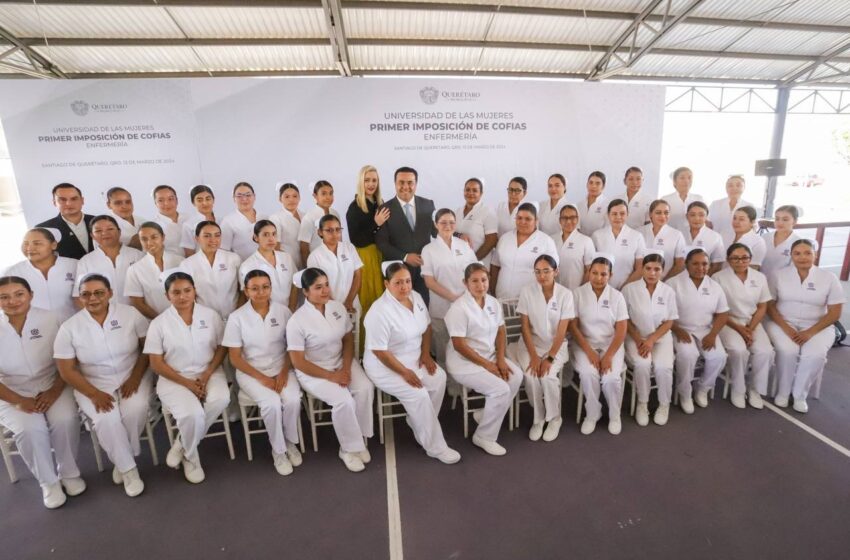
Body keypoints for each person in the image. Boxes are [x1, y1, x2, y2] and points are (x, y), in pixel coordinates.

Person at [54, 274, 150, 498]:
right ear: (79, 297)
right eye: (86, 294)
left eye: (99, 292)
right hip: (92, 382)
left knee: (134, 410)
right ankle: (129, 469)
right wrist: (93, 393)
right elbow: (66, 370)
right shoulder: (70, 327)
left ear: (110, 293)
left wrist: (135, 377)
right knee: (107, 419)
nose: (93, 298)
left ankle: (122, 456)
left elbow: (147, 347)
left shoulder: (130, 314)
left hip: (131, 373)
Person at [363, 262, 461, 464]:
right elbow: (380, 352)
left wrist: (426, 354)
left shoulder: (415, 297)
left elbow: (426, 328)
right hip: (385, 366)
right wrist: (405, 372)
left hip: (416, 358)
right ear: (386, 284)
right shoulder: (378, 312)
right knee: (419, 394)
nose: (404, 287)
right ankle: (435, 447)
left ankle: (417, 421)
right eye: (398, 283)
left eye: (407, 281)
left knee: (439, 378)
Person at [0, 276, 84, 509]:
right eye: (4, 297)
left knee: (65, 419)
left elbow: (70, 359)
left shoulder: (52, 319)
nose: (12, 301)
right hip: (9, 391)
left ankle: (68, 472)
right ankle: (48, 483)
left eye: (19, 294)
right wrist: (18, 401)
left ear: (31, 295)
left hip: (54, 382)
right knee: (30, 429)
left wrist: (55, 390)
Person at [144, 271, 230, 483]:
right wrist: (188, 384)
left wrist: (208, 373)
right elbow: (156, 363)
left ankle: (182, 443)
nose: (182, 296)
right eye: (176, 292)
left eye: (187, 291)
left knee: (221, 398)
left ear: (194, 291)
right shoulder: (159, 323)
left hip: (208, 371)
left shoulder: (210, 315)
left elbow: (221, 347)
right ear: (167, 296)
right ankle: (192, 457)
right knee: (192, 415)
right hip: (174, 377)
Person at [286, 268, 374, 472]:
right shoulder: (297, 321)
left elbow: (347, 338)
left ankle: (359, 438)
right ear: (305, 292)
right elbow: (298, 362)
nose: (325, 290)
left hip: (341, 362)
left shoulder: (336, 307)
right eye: (318, 287)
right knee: (343, 400)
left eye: (326, 285)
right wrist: (332, 376)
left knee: (365, 388)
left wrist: (346, 368)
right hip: (314, 371)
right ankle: (347, 449)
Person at [222, 269, 302, 476]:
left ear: (271, 288)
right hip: (251, 372)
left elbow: (291, 346)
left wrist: (284, 371)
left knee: (292, 399)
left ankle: (290, 441)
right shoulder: (237, 317)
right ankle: (278, 451)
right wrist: (262, 378)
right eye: (255, 288)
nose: (261, 292)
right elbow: (235, 358)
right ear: (246, 291)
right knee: (272, 404)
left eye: (265, 287)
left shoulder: (283, 312)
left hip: (281, 367)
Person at [445, 263, 522, 455]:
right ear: (465, 283)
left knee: (517, 376)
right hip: (464, 362)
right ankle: (484, 436)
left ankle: (485, 414)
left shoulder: (493, 303)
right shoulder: (459, 308)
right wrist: (488, 365)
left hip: (490, 355)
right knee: (501, 390)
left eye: (484, 280)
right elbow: (459, 345)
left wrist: (501, 359)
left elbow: (501, 330)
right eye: (475, 281)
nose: (481, 285)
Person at [765, 239, 844, 413]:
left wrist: (810, 332)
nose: (803, 257)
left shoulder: (829, 278)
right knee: (788, 350)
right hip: (782, 323)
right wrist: (786, 328)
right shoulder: (779, 275)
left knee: (815, 354)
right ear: (791, 256)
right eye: (797, 253)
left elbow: (834, 312)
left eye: (808, 253)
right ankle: (783, 392)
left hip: (818, 326)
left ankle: (800, 394)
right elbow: (770, 305)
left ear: (815, 254)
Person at [507, 255, 574, 441]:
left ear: (556, 271)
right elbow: (525, 327)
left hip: (556, 346)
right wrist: (534, 356)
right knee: (531, 375)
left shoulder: (565, 295)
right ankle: (538, 418)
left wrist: (550, 358)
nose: (542, 275)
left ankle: (554, 418)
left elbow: (562, 330)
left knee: (548, 376)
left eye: (546, 271)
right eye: (538, 271)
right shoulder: (527, 291)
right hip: (530, 345)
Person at [570, 255, 628, 435]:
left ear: (610, 275)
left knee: (611, 378)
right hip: (584, 344)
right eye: (594, 273)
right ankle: (592, 414)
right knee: (588, 374)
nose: (598, 277)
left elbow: (621, 330)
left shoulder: (617, 296)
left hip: (612, 345)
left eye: (603, 274)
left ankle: (614, 415)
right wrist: (589, 352)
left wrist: (608, 355)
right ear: (588, 273)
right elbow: (573, 325)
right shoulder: (577, 293)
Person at [667, 248, 729, 413]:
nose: (700, 267)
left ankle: (703, 388)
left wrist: (713, 334)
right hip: (679, 328)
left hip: (705, 330)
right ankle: (685, 393)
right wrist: (677, 329)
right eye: (695, 263)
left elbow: (723, 314)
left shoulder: (714, 286)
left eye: (704, 264)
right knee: (688, 355)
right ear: (686, 264)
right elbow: (664, 314)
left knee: (719, 356)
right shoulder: (673, 283)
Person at [714, 243, 774, 409]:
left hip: (752, 322)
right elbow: (717, 310)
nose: (740, 261)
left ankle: (755, 388)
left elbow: (763, 306)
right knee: (739, 351)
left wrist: (750, 328)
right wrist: (740, 329)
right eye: (735, 258)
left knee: (765, 351)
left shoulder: (759, 277)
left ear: (750, 259)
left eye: (744, 258)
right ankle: (738, 389)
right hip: (728, 321)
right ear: (728, 260)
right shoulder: (718, 278)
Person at [621, 253, 678, 426]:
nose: (652, 273)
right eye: (648, 268)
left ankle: (663, 404)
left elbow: (670, 321)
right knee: (643, 364)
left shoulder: (667, 291)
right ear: (642, 269)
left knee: (663, 367)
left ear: (663, 270)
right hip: (635, 337)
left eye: (657, 269)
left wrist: (651, 340)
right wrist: (639, 339)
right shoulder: (629, 289)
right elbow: (625, 319)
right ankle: (642, 403)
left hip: (660, 337)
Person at [421, 208, 477, 367]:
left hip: (466, 304)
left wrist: (466, 297)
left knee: (465, 343)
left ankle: (465, 382)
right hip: (441, 306)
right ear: (435, 224)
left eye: (452, 222)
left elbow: (474, 271)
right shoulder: (428, 250)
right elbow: (429, 282)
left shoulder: (463, 245)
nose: (448, 225)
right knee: (443, 345)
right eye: (443, 222)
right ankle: (447, 384)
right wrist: (453, 298)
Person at [375, 166, 436, 304]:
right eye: (401, 182)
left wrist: (458, 234)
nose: (405, 186)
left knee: (423, 307)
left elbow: (436, 230)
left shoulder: (428, 204)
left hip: (423, 269)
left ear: (416, 184)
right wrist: (405, 257)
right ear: (395, 183)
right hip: (398, 271)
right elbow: (382, 243)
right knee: (400, 311)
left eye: (410, 182)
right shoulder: (384, 209)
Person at [345, 165, 390, 340]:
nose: (371, 184)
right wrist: (376, 223)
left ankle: (382, 341)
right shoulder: (355, 207)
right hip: (365, 257)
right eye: (367, 180)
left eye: (374, 180)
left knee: (382, 300)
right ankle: (365, 347)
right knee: (368, 300)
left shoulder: (380, 203)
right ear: (360, 182)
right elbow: (357, 239)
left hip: (380, 255)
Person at [4, 227, 78, 321]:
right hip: (34, 331)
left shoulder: (75, 265)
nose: (29, 248)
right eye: (25, 243)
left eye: (37, 243)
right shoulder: (13, 272)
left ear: (53, 245)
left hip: (73, 326)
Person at [491, 202, 558, 301]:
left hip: (531, 300)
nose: (523, 222)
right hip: (501, 298)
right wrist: (492, 292)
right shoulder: (505, 238)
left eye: (528, 219)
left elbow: (551, 273)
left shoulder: (546, 241)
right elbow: (495, 266)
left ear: (536, 220)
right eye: (519, 218)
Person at [73, 215, 143, 305]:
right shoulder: (86, 262)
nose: (104, 233)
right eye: (98, 231)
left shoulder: (138, 256)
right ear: (92, 236)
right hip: (103, 316)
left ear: (119, 231)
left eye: (110, 229)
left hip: (137, 314)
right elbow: (79, 296)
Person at [180, 221, 242, 319]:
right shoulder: (187, 264)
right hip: (204, 319)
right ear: (197, 238)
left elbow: (242, 289)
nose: (213, 240)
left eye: (217, 235)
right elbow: (189, 296)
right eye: (207, 236)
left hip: (234, 315)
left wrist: (238, 313)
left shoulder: (233, 258)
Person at [124, 222, 185, 319]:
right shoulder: (134, 270)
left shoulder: (181, 262)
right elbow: (138, 303)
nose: (149, 242)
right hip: (155, 322)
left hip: (185, 319)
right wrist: (161, 321)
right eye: (144, 239)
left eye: (154, 237)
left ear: (163, 237)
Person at [307, 215, 363, 312]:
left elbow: (358, 274)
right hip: (328, 306)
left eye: (338, 229)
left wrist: (349, 301)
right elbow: (317, 286)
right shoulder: (315, 257)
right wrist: (336, 306)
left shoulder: (349, 248)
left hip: (352, 303)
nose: (334, 234)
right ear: (320, 232)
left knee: (354, 326)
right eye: (329, 230)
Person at [239, 220, 298, 311]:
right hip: (267, 314)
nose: (271, 239)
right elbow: (249, 296)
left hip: (290, 311)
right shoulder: (248, 265)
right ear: (256, 237)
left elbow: (295, 284)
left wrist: (291, 309)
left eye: (274, 234)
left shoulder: (286, 257)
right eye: (266, 235)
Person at [591, 199, 646, 289]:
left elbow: (640, 269)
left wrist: (625, 288)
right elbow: (591, 266)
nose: (618, 217)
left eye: (622, 213)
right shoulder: (597, 235)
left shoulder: (637, 236)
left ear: (627, 214)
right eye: (614, 214)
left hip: (627, 289)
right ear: (608, 215)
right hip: (600, 287)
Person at [36, 183, 95, 260]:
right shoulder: (43, 229)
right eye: (62, 200)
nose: (69, 203)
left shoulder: (99, 221)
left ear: (82, 200)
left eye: (74, 199)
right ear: (54, 203)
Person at [454, 178, 498, 266]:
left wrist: (473, 260)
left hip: (479, 264)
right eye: (467, 190)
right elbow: (451, 232)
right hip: (459, 262)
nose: (471, 193)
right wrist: (459, 235)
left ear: (481, 193)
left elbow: (491, 240)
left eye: (475, 190)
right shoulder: (457, 212)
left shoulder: (487, 212)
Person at [639, 199, 686, 280]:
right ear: (650, 214)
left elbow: (680, 264)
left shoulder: (676, 235)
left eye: (666, 213)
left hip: (665, 282)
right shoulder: (639, 232)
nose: (663, 216)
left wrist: (665, 281)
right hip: (640, 281)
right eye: (658, 212)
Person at [550, 204, 594, 290]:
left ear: (577, 219)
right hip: (554, 290)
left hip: (576, 290)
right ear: (560, 220)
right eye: (565, 218)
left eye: (572, 217)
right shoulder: (551, 240)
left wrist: (580, 290)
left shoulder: (586, 241)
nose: (569, 221)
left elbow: (590, 270)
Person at [298, 180, 339, 266]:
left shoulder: (335, 214)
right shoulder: (309, 217)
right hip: (318, 262)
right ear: (315, 196)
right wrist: (309, 269)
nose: (328, 197)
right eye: (323, 194)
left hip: (335, 260)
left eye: (331, 193)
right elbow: (304, 247)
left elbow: (339, 240)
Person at [221, 182, 263, 260]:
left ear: (254, 196)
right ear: (234, 198)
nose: (244, 199)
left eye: (248, 195)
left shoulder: (264, 218)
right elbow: (224, 250)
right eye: (239, 196)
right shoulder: (228, 221)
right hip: (241, 266)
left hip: (265, 266)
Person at [708, 175, 756, 241]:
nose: (734, 188)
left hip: (739, 244)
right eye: (730, 185)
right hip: (715, 242)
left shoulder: (749, 206)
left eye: (738, 185)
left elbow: (753, 228)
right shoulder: (715, 204)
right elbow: (708, 224)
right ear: (726, 188)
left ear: (744, 188)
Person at [268, 183, 304, 269]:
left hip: (305, 261)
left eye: (295, 196)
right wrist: (286, 263)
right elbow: (275, 247)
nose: (291, 200)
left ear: (299, 198)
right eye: (287, 197)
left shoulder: (305, 216)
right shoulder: (276, 218)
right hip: (286, 264)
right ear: (280, 199)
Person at [683, 201, 725, 274]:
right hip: (678, 279)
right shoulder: (679, 233)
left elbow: (717, 264)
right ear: (687, 216)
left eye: (701, 215)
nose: (697, 218)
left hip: (704, 278)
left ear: (706, 217)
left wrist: (703, 279)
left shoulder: (715, 237)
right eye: (692, 215)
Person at [761, 205, 800, 280]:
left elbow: (795, 271)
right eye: (777, 219)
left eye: (785, 219)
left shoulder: (798, 243)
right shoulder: (764, 238)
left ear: (794, 221)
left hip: (783, 285)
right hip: (760, 284)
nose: (780, 222)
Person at [661, 167, 703, 235]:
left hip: (692, 237)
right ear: (674, 181)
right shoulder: (665, 199)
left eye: (689, 177)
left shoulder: (699, 199)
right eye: (682, 178)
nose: (686, 181)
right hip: (670, 236)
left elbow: (704, 221)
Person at [180, 185, 217, 257]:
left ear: (213, 200)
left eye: (208, 199)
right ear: (193, 203)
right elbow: (189, 253)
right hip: (200, 264)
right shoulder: (188, 225)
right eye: (199, 200)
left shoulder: (222, 221)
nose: (205, 203)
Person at [151, 185, 187, 257]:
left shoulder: (188, 218)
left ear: (177, 200)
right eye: (161, 200)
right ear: (155, 203)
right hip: (171, 266)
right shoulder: (153, 226)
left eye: (170, 199)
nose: (166, 203)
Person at [575, 171, 608, 236]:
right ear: (587, 185)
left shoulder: (608, 205)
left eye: (597, 183)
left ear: (603, 186)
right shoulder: (579, 205)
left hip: (599, 243)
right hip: (582, 243)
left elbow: (608, 229)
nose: (593, 186)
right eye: (591, 183)